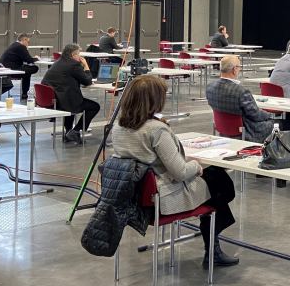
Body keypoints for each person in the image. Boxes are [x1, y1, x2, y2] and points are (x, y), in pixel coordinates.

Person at [112, 75, 239, 268]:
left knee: (216, 184)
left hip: (133, 197)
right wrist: (196, 166)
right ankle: (212, 246)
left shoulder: (118, 127)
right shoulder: (156, 130)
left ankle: (214, 242)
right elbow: (180, 172)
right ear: (154, 99)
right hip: (162, 199)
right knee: (220, 182)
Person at [206, 56, 275, 142]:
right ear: (234, 69)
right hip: (245, 130)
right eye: (239, 67)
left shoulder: (210, 88)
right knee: (279, 123)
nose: (239, 69)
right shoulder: (241, 91)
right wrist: (270, 115)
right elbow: (255, 115)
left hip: (222, 128)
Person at [41, 43, 100, 144]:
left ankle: (68, 132)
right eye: (78, 54)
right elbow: (87, 81)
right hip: (65, 101)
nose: (80, 57)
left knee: (70, 103)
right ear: (73, 55)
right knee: (94, 106)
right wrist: (86, 66)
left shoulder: (58, 62)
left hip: (54, 100)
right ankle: (75, 131)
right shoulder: (74, 64)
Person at [0, 33, 40, 101]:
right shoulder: (21, 46)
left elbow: (25, 59)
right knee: (34, 68)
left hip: (6, 68)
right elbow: (29, 60)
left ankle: (25, 93)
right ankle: (24, 93)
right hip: (11, 70)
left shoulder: (14, 45)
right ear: (24, 40)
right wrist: (37, 58)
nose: (28, 44)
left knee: (27, 71)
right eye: (28, 41)